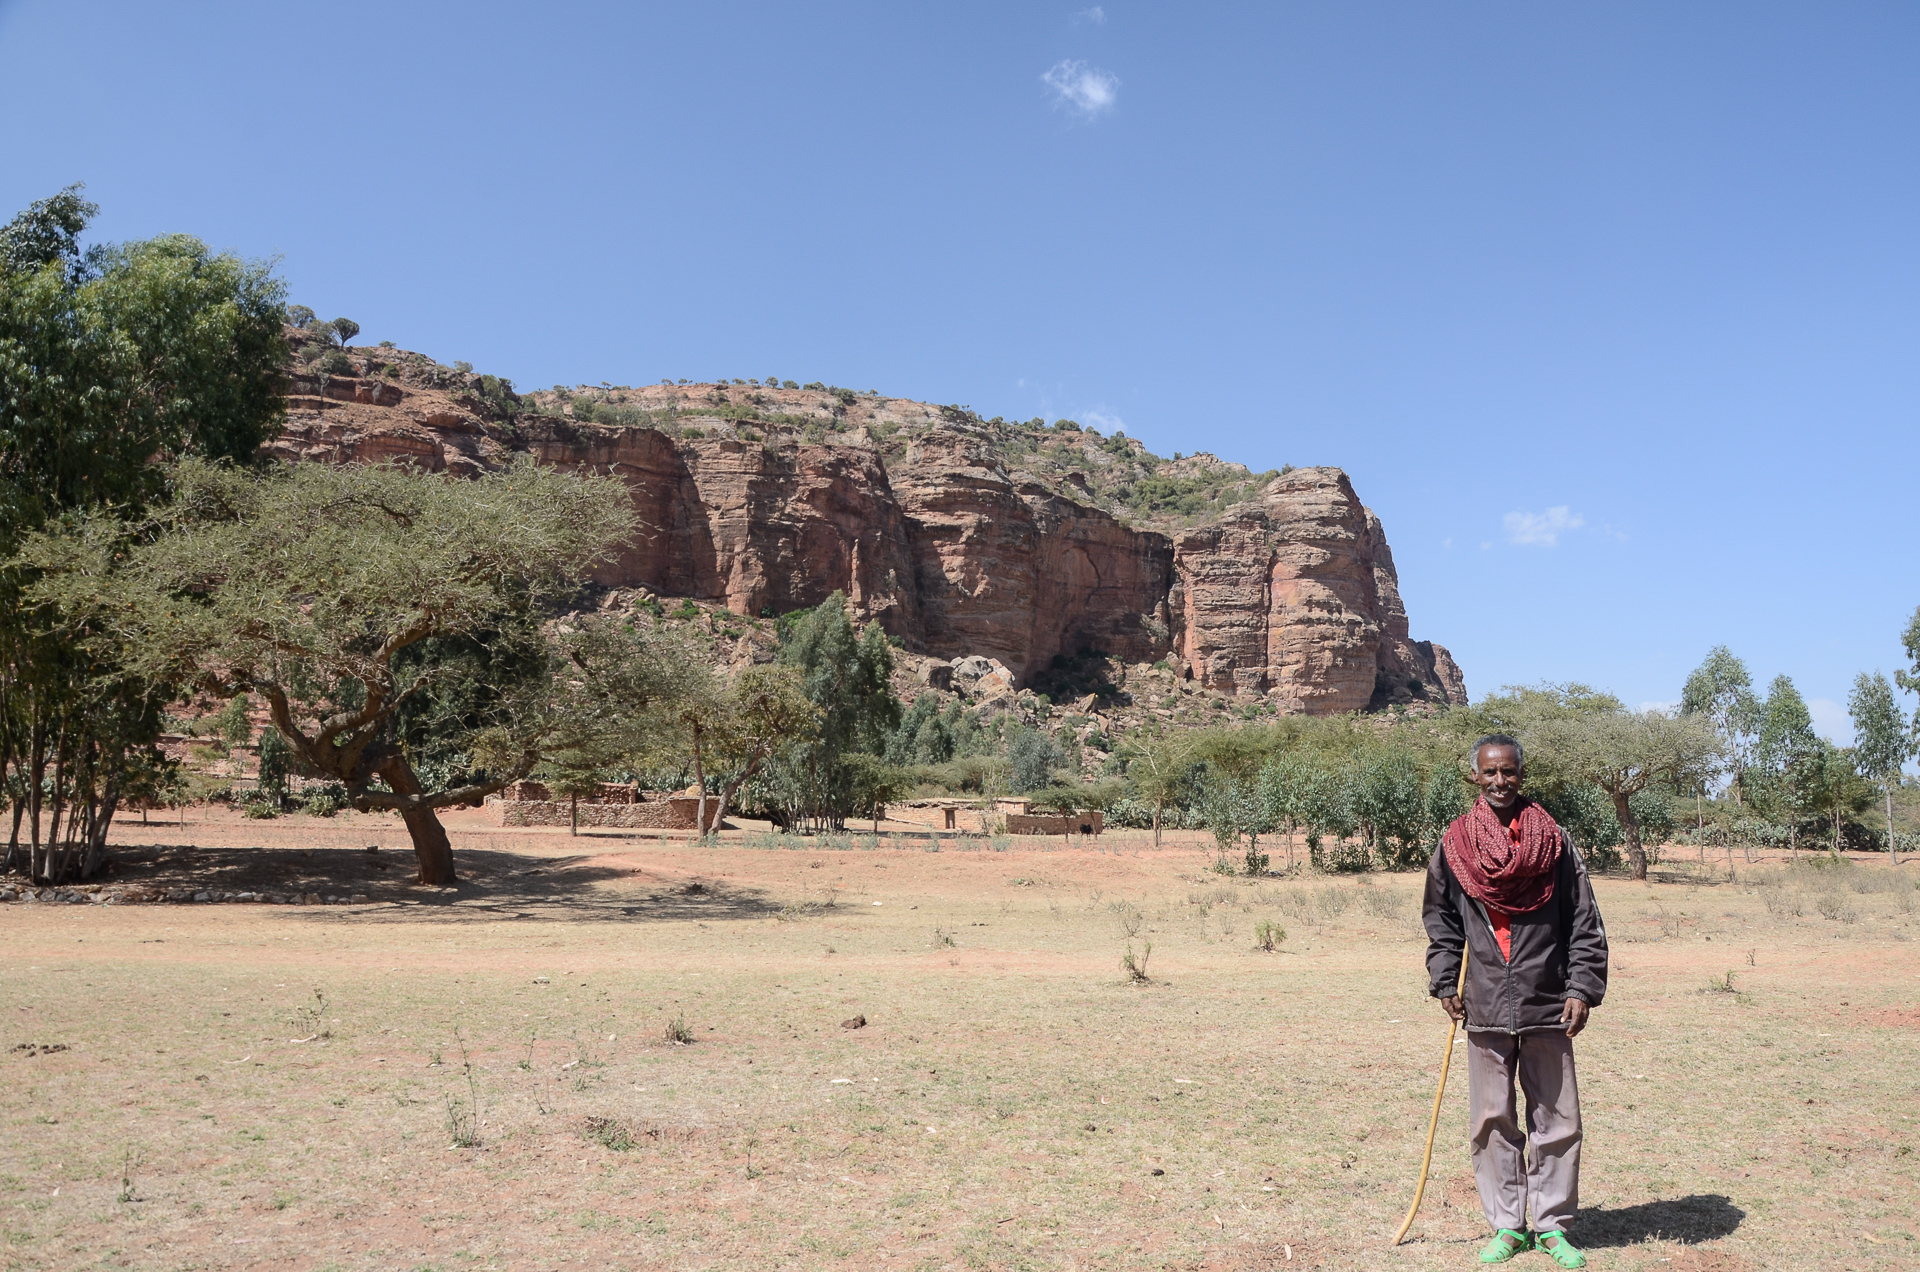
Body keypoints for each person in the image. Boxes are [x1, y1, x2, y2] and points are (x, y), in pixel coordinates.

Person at [1423, 735, 1609, 1268]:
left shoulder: (1553, 843)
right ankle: (1507, 1225)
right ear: (1475, 777)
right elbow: (1441, 921)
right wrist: (1443, 981)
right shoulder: (1456, 844)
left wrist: (1581, 987)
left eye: (1509, 772)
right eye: (1490, 773)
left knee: (1557, 1118)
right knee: (1491, 1120)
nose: (1500, 782)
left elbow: (1583, 921)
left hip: (1547, 1000)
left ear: (1522, 775)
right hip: (1481, 1000)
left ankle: (1551, 1226)